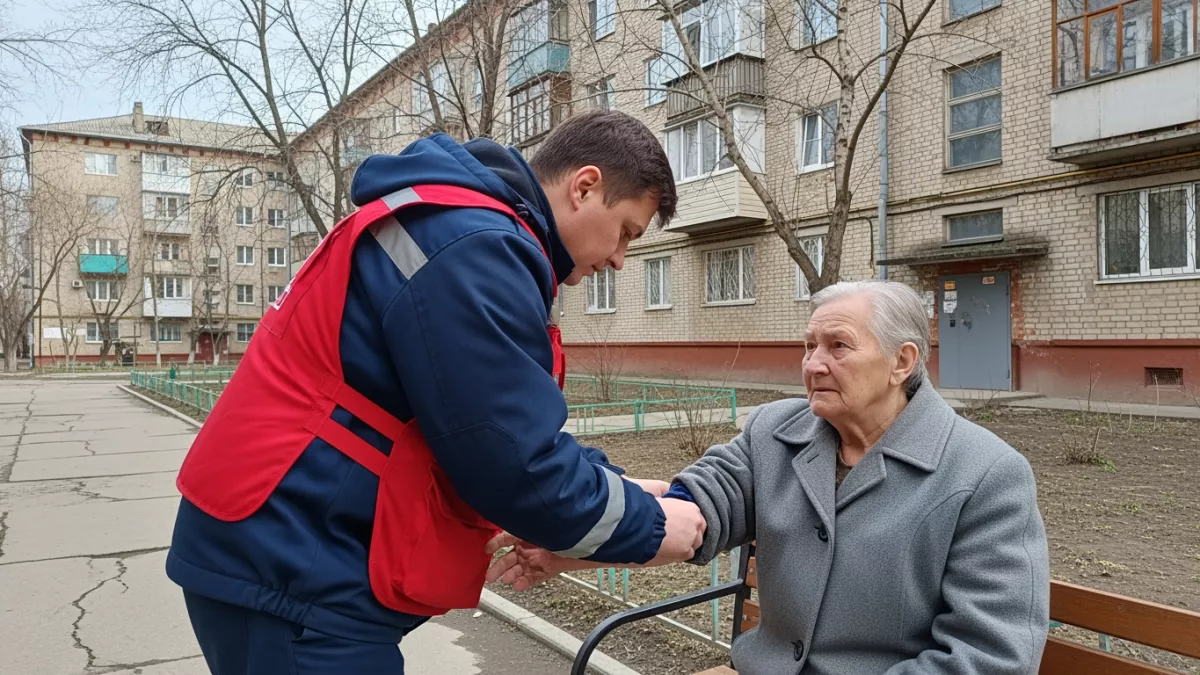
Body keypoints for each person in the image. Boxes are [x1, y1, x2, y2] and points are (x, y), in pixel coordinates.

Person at [164, 110, 707, 675]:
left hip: (289, 548)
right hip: (295, 568)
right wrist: (652, 526)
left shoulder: (461, 226)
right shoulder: (474, 245)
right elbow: (514, 465)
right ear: (585, 186)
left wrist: (610, 485)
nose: (620, 259)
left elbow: (491, 424)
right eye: (626, 231)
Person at [490, 279, 1051, 674]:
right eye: (809, 346)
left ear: (902, 363)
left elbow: (989, 659)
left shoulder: (985, 475)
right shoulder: (777, 431)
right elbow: (697, 505)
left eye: (838, 347)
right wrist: (569, 539)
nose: (812, 364)